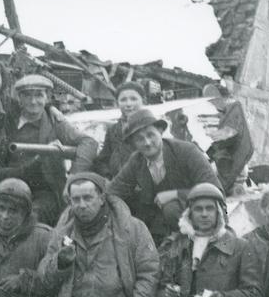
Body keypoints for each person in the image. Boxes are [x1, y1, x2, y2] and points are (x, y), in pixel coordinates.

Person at [108, 109, 223, 245]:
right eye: (139, 139)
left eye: (151, 135)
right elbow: (114, 191)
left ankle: (193, 245)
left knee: (171, 208)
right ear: (133, 144)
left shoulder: (186, 151)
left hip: (198, 217)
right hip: (160, 224)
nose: (147, 143)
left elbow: (216, 191)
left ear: (161, 132)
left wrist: (176, 194)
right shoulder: (137, 161)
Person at [0, 74, 98, 225]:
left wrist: (73, 178)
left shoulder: (54, 122)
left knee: (31, 222)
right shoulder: (8, 120)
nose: (33, 101)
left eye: (39, 95)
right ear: (19, 98)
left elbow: (89, 142)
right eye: (27, 96)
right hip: (11, 185)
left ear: (47, 97)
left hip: (45, 191)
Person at [204, 84, 254, 195]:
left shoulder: (232, 109)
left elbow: (228, 134)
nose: (210, 103)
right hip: (229, 166)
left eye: (210, 99)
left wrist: (208, 148)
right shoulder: (226, 111)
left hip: (232, 168)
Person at [94, 81, 146, 179]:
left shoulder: (152, 127)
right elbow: (102, 160)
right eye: (123, 100)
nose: (128, 104)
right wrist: (108, 177)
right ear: (117, 103)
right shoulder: (113, 130)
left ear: (143, 100)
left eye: (134, 99)